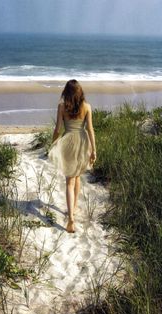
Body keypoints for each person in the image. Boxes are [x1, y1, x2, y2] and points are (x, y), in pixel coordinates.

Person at [48, 79, 96, 233]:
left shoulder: (62, 107)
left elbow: (57, 129)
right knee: (77, 178)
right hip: (82, 142)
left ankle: (71, 218)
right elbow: (90, 130)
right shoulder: (87, 107)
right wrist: (94, 150)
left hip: (68, 142)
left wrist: (53, 143)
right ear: (80, 92)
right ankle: (73, 210)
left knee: (70, 181)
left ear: (66, 92)